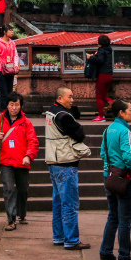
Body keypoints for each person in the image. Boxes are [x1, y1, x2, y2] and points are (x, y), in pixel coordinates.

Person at [45, 86, 89, 250]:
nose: (72, 100)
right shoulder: (63, 115)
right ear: (60, 99)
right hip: (65, 163)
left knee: (58, 203)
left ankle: (59, 236)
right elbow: (80, 133)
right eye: (69, 97)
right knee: (69, 204)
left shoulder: (51, 112)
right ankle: (71, 239)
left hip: (54, 162)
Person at [0, 92, 38, 230]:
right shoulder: (0, 120)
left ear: (21, 106)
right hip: (5, 160)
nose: (14, 107)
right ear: (7, 105)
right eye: (11, 104)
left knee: (23, 189)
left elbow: (33, 141)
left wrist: (29, 156)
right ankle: (11, 219)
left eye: (17, 105)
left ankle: (21, 213)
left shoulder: (26, 122)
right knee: (9, 189)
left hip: (22, 160)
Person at [100, 99, 131, 260]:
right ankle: (124, 255)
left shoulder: (108, 129)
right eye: (130, 110)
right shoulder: (124, 131)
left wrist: (110, 168)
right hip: (124, 179)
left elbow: (102, 153)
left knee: (113, 216)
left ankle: (105, 251)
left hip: (109, 177)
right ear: (121, 113)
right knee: (125, 219)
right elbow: (128, 156)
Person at [0, 26, 19, 112]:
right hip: (0, 70)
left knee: (10, 91)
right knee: (3, 92)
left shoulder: (12, 43)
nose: (12, 32)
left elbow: (15, 55)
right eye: (10, 30)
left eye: (12, 30)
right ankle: (3, 111)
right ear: (4, 32)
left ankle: (9, 110)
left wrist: (16, 66)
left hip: (10, 70)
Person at [86, 34, 114, 122]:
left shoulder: (101, 50)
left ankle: (101, 116)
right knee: (104, 96)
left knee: (98, 96)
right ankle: (119, 106)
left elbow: (100, 60)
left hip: (102, 75)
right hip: (109, 75)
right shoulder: (109, 50)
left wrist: (90, 57)